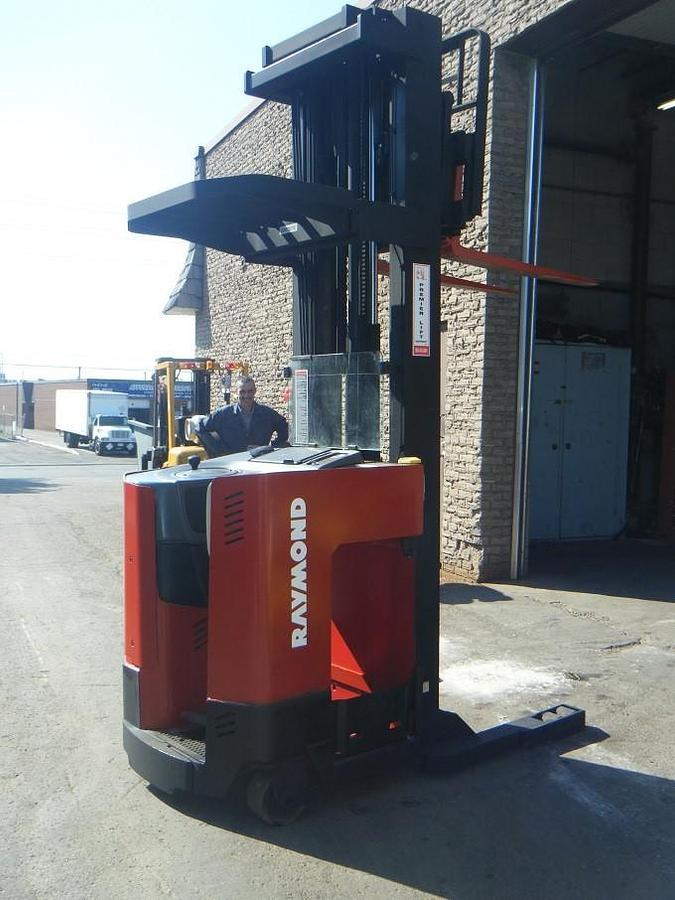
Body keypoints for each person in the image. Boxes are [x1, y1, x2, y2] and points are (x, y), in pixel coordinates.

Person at [197, 375, 288, 456]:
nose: (246, 395)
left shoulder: (267, 414)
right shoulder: (224, 414)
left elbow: (284, 427)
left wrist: (271, 448)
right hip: (232, 463)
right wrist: (219, 450)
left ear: (255, 391)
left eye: (250, 391)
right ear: (236, 392)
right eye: (242, 392)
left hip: (259, 462)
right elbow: (200, 428)